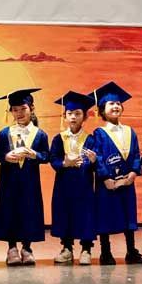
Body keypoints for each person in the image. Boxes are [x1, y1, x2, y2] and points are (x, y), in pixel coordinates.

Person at [90, 81, 142, 265]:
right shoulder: (99, 133)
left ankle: (131, 251)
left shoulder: (130, 131)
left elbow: (135, 155)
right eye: (110, 104)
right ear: (101, 110)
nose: (115, 106)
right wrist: (106, 178)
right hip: (107, 184)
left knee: (128, 216)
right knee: (105, 216)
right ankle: (105, 252)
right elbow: (98, 157)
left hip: (126, 182)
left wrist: (132, 174)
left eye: (117, 103)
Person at [0, 88, 49, 266]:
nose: (19, 113)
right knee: (9, 211)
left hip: (29, 181)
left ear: (31, 108)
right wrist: (6, 157)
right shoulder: (5, 132)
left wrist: (34, 155)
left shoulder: (39, 134)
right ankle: (12, 248)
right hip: (9, 180)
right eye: (15, 110)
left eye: (23, 108)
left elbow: (46, 156)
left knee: (29, 211)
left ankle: (27, 248)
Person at [49, 91, 98, 265]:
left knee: (85, 214)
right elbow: (53, 159)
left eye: (77, 114)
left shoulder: (91, 139)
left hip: (83, 183)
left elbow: (94, 161)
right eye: (69, 114)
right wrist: (65, 163)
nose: (73, 117)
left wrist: (91, 162)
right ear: (64, 116)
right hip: (64, 183)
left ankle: (86, 249)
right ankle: (67, 248)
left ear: (84, 116)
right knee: (65, 214)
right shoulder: (58, 138)